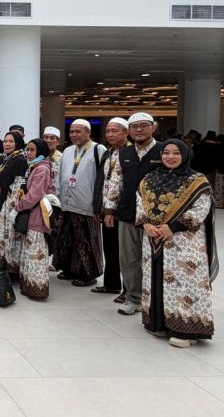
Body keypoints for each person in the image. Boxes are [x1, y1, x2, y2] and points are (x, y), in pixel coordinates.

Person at [137, 139, 218, 348]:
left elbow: (202, 208)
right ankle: (158, 323)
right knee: (155, 279)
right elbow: (140, 203)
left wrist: (172, 227)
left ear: (185, 154)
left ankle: (184, 330)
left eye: (176, 153)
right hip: (154, 238)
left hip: (183, 242)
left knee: (183, 282)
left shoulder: (197, 180)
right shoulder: (150, 178)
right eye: (166, 153)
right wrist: (146, 224)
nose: (170, 157)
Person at [112, 112, 163, 315]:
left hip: (156, 217)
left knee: (152, 257)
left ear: (153, 127)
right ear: (129, 131)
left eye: (144, 126)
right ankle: (133, 297)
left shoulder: (164, 151)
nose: (139, 130)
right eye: (135, 127)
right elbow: (116, 183)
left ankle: (153, 299)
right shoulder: (124, 153)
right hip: (127, 213)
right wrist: (109, 208)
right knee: (129, 258)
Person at [53, 119, 107, 287]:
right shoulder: (68, 151)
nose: (74, 135)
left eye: (78, 131)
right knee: (67, 238)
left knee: (86, 240)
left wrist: (100, 205)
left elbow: (103, 179)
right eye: (72, 132)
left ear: (88, 133)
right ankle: (68, 269)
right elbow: (61, 176)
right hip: (67, 203)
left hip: (87, 204)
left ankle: (88, 274)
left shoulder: (98, 150)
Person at [12, 139, 56, 299]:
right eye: (27, 150)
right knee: (29, 250)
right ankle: (29, 285)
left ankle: (38, 288)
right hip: (31, 213)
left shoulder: (42, 168)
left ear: (41, 152)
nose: (28, 153)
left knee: (36, 252)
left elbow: (35, 194)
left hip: (38, 214)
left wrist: (17, 208)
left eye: (32, 150)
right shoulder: (35, 166)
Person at [93, 117, 130, 299]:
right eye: (107, 131)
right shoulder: (108, 153)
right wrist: (98, 207)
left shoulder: (130, 153)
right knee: (110, 248)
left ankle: (129, 290)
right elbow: (101, 181)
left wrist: (114, 209)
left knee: (126, 253)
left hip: (122, 211)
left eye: (115, 131)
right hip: (106, 208)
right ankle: (111, 284)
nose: (110, 134)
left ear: (125, 132)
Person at [0, 132, 28, 277]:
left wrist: (13, 207)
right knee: (0, 233)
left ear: (18, 143)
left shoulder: (20, 160)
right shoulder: (8, 158)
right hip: (1, 201)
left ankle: (11, 269)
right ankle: (1, 265)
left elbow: (18, 186)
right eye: (5, 141)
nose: (7, 144)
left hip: (9, 203)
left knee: (9, 235)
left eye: (11, 141)